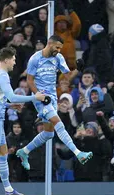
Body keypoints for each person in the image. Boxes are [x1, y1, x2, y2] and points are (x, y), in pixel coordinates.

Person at [0, 47, 46, 195]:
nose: (15, 62)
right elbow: (11, 95)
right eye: (14, 59)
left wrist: (9, 106)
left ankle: (8, 190)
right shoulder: (2, 75)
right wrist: (34, 97)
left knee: (3, 154)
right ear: (6, 60)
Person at [16, 35, 93, 171]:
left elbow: (67, 76)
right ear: (49, 43)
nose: (58, 50)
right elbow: (29, 80)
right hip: (40, 98)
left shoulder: (58, 58)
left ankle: (24, 151)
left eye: (60, 48)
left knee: (49, 133)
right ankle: (78, 153)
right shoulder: (35, 58)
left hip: (52, 97)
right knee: (59, 123)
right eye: (57, 47)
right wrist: (39, 96)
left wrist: (78, 69)